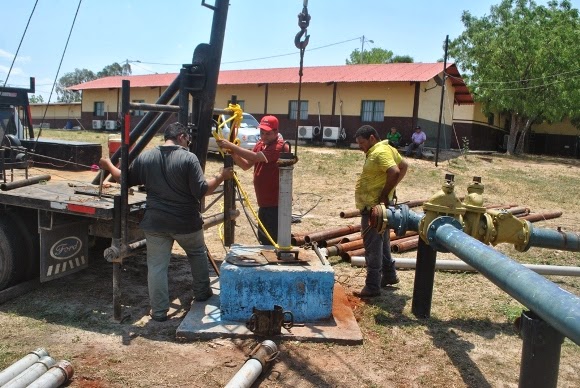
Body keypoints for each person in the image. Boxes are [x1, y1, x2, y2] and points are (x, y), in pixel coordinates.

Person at [99, 122, 234, 322]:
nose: (188, 143)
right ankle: (202, 293)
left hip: (155, 224)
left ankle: (159, 312)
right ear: (181, 136)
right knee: (197, 254)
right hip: (186, 223)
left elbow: (123, 178)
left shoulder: (146, 157)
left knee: (157, 267)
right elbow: (201, 191)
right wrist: (222, 176)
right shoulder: (188, 158)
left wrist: (108, 164)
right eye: (188, 139)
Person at [353, 125, 408, 298]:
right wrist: (390, 191)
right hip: (379, 207)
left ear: (371, 138)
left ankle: (372, 286)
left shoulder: (379, 152)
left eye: (362, 143)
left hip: (373, 209)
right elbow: (404, 165)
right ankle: (389, 275)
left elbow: (395, 170)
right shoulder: (387, 148)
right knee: (383, 243)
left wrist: (384, 194)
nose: (360, 147)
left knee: (372, 247)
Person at [217, 115, 288, 245]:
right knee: (264, 238)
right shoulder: (261, 144)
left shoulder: (280, 147)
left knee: (273, 238)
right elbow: (245, 165)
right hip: (264, 202)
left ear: (276, 132)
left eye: (268, 133)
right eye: (262, 133)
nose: (264, 136)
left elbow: (256, 157)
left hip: (276, 202)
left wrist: (232, 146)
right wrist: (232, 153)